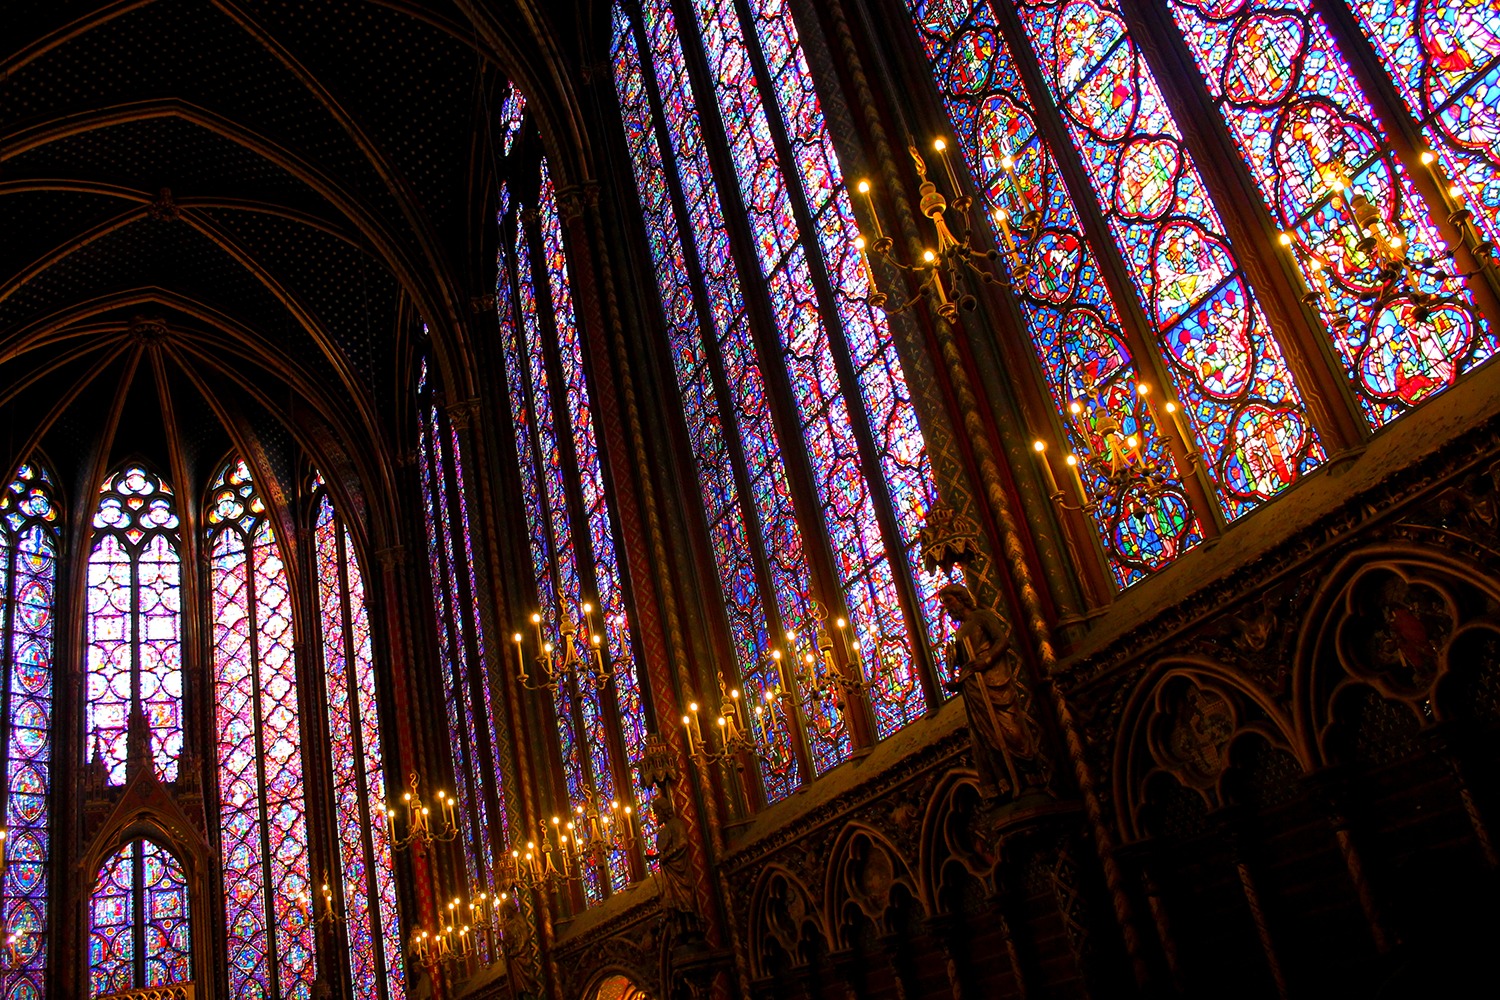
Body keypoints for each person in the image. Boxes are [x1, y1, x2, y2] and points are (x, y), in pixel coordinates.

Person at [939, 582, 1043, 798]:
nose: (947, 607)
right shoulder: (959, 632)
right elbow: (964, 665)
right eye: (944, 604)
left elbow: (1002, 642)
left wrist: (986, 660)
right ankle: (1004, 783)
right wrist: (956, 682)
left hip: (993, 681)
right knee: (986, 737)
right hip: (973, 688)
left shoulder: (982, 617)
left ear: (962, 598)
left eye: (949, 601)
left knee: (1009, 729)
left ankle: (1029, 777)